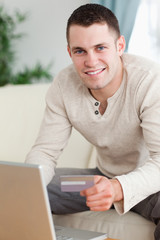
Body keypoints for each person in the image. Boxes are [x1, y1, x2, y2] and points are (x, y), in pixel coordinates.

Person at [25, 3, 160, 239]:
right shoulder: (63, 85)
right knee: (16, 188)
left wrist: (118, 188)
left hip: (150, 185)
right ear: (69, 52)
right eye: (80, 51)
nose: (91, 61)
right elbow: (45, 153)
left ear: (120, 46)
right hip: (96, 181)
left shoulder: (149, 81)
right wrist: (27, 184)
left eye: (100, 48)